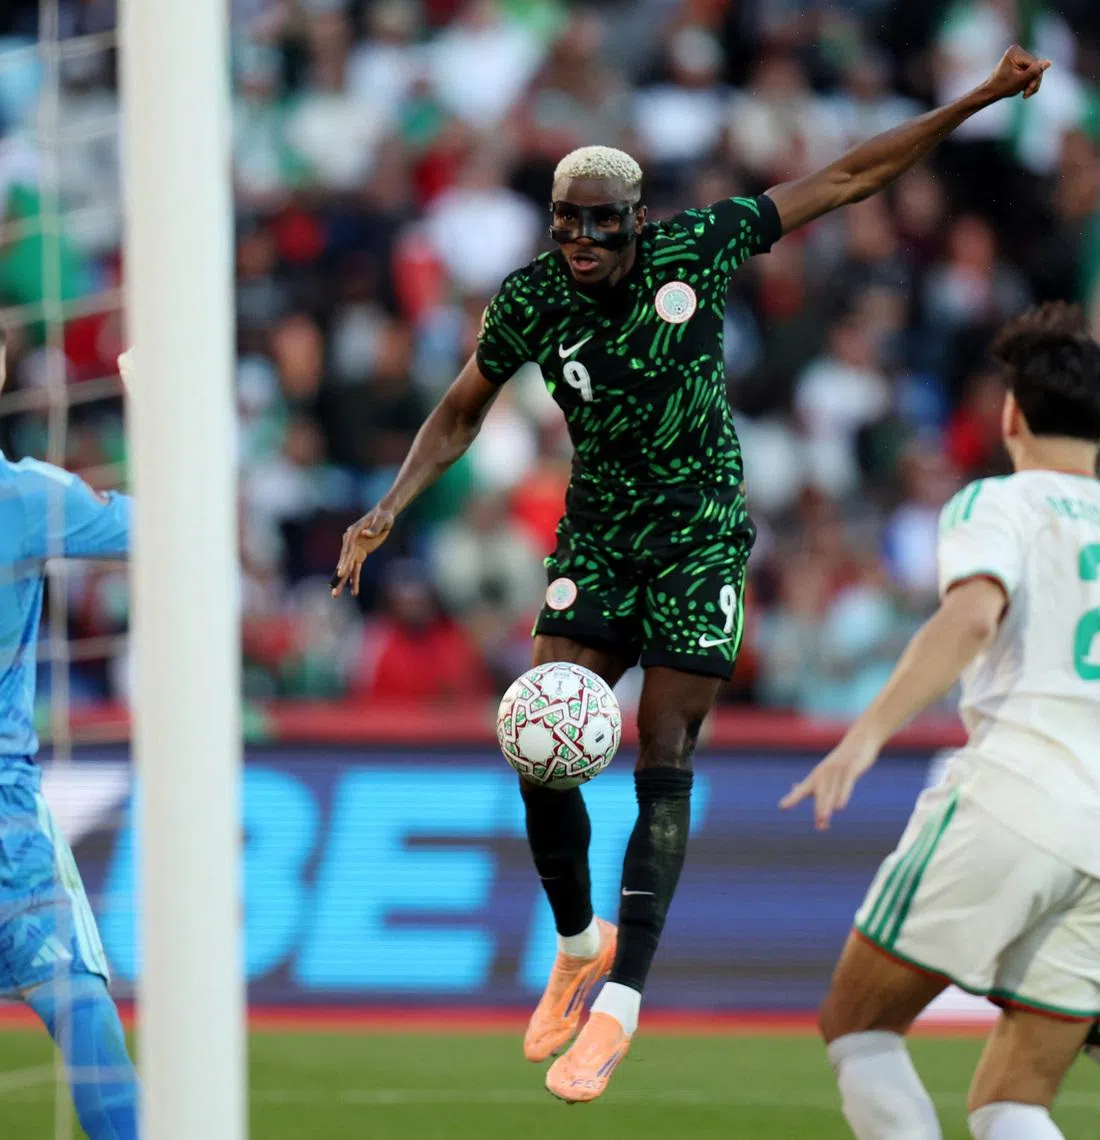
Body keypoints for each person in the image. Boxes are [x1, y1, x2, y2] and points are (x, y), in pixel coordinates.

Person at [332, 46, 1051, 1104]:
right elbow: (459, 411)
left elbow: (850, 176)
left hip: (699, 537)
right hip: (597, 537)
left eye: (600, 223)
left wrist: (978, 96)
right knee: (541, 731)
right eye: (564, 222)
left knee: (662, 751)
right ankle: (577, 942)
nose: (580, 241)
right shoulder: (531, 299)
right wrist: (389, 506)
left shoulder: (699, 248)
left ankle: (620, 1005)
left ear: (638, 220)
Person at [782, 303, 1100, 1140]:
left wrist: (866, 734)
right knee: (1012, 1099)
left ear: (1010, 414)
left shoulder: (998, 502)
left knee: (859, 1025)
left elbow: (974, 614)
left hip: (1020, 788)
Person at [0, 335, 138, 1137]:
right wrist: (162, 418)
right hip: (7, 819)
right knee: (79, 1007)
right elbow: (171, 528)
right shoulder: (23, 498)